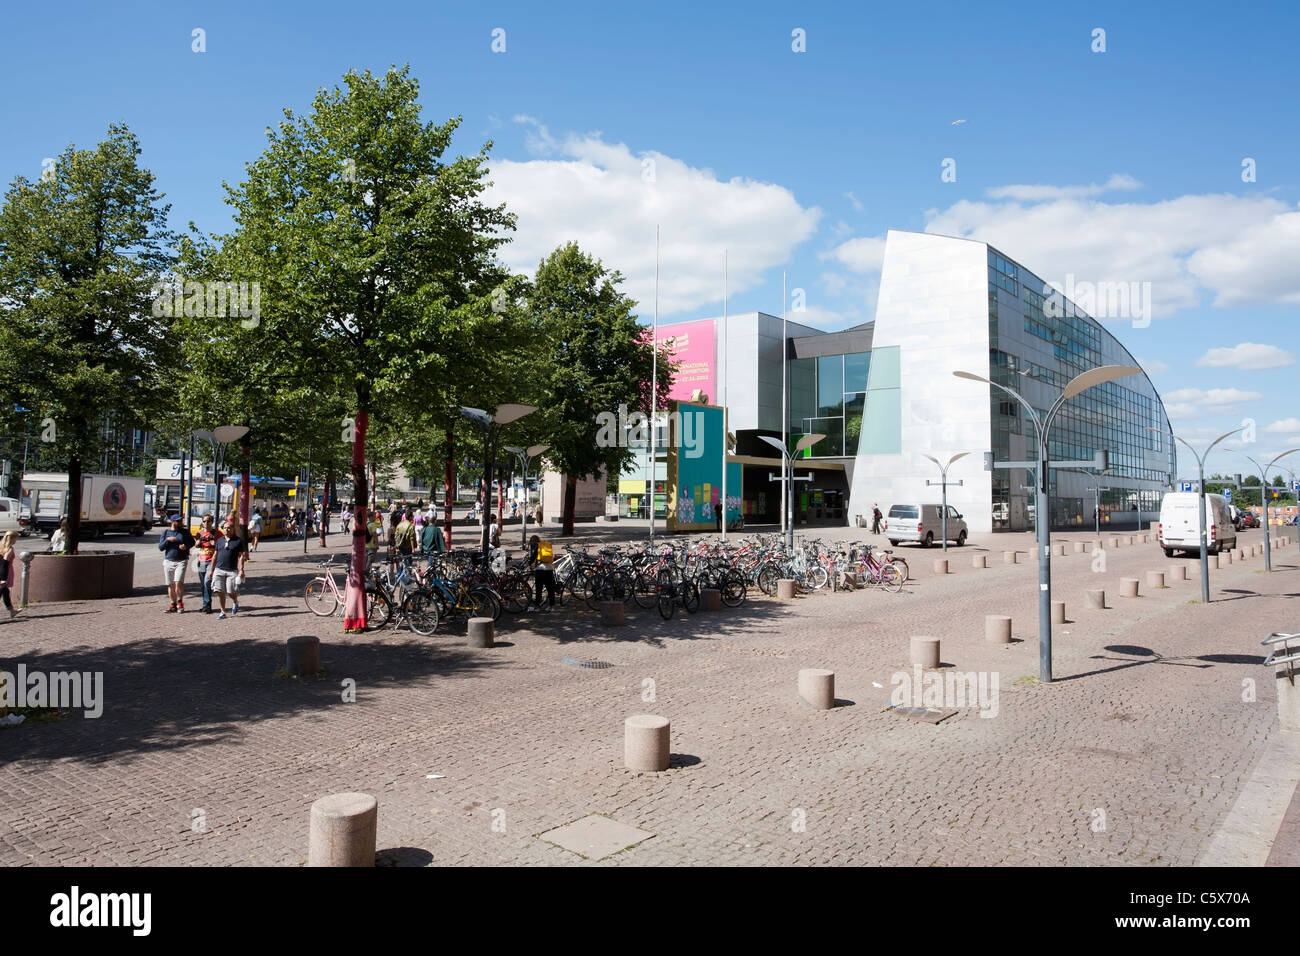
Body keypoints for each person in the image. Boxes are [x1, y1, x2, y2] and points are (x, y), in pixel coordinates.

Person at [211, 518, 248, 619]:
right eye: (225, 528)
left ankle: (235, 601)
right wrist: (211, 570)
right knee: (219, 591)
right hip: (219, 569)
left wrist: (241, 570)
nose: (227, 530)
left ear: (233, 529)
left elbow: (241, 556)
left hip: (232, 570)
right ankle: (222, 611)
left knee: (230, 591)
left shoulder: (238, 541)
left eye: (229, 528)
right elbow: (215, 555)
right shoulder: (219, 541)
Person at [158, 513, 195, 613]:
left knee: (178, 582)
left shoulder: (184, 532)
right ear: (172, 522)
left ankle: (180, 602)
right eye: (178, 521)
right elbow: (161, 547)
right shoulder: (166, 532)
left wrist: (186, 546)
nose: (180, 522)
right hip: (169, 560)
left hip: (181, 560)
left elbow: (192, 542)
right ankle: (172, 604)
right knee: (170, 584)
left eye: (181, 521)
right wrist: (168, 540)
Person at [193, 514, 219, 613]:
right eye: (204, 521)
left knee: (207, 582)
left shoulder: (217, 533)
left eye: (208, 521)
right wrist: (197, 543)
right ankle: (205, 605)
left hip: (211, 561)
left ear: (212, 522)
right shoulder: (199, 533)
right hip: (201, 560)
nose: (206, 523)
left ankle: (208, 605)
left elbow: (221, 546)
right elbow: (196, 546)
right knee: (202, 584)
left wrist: (214, 544)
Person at [529, 534, 555, 611]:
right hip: (549, 568)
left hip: (540, 569)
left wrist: (529, 563)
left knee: (539, 589)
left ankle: (537, 606)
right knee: (550, 588)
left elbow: (533, 557)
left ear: (532, 541)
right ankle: (551, 606)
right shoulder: (545, 545)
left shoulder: (535, 546)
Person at [0, 530, 22, 619]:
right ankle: (12, 611)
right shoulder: (10, 549)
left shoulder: (1, 546)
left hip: (2, 571)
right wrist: (3, 578)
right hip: (5, 573)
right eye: (16, 538)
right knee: (2, 591)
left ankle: (12, 611)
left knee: (5, 592)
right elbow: (4, 563)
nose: (16, 540)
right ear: (12, 539)